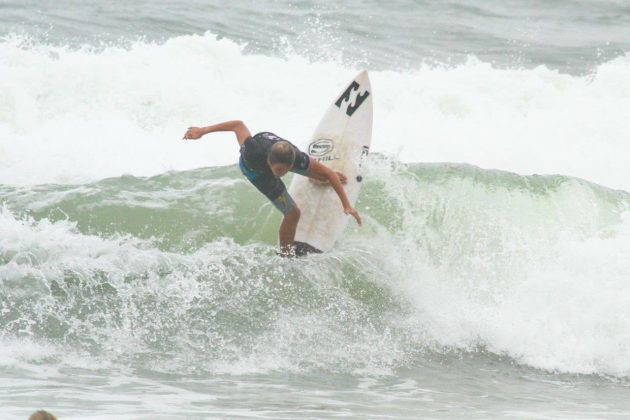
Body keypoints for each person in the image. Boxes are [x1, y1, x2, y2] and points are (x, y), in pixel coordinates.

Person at [183, 120, 361, 255]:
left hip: (282, 156)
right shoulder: (253, 152)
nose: (283, 174)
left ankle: (315, 178)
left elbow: (330, 173)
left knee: (324, 175)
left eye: (287, 170)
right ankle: (286, 255)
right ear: (269, 161)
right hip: (256, 172)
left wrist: (347, 205)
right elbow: (238, 125)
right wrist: (202, 131)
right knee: (293, 213)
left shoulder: (295, 156)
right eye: (279, 170)